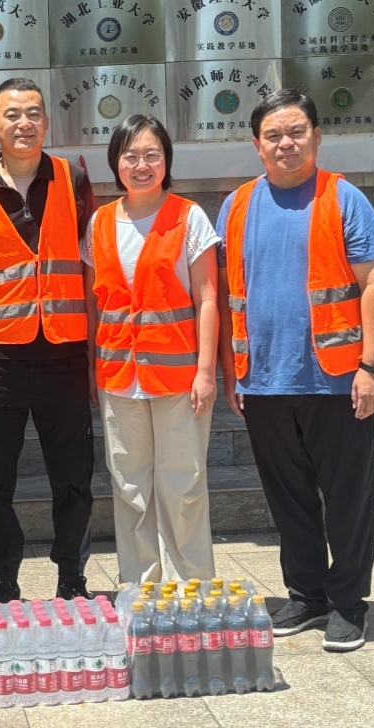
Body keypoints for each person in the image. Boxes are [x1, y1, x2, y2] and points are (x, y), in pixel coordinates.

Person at [216, 89, 374, 652]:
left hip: (336, 377)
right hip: (263, 378)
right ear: (256, 144)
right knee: (287, 497)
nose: (285, 143)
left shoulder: (343, 197)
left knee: (347, 498)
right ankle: (307, 594)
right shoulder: (237, 204)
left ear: (316, 135)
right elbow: (228, 293)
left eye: (296, 132)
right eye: (273, 135)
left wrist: (372, 366)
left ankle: (348, 603)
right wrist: (231, 372)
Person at [0, 77, 96, 603]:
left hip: (64, 352)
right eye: (12, 115)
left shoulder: (73, 179)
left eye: (34, 113)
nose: (24, 123)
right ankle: (4, 580)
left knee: (74, 476)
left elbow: (90, 262)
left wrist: (96, 349)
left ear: (47, 122)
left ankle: (71, 576)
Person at [82, 115, 220, 586]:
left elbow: (207, 298)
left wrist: (206, 372)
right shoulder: (100, 222)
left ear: (166, 161)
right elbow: (95, 304)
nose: (141, 165)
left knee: (183, 486)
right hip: (118, 377)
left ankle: (191, 591)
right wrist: (92, 368)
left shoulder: (188, 217)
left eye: (152, 155)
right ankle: (141, 590)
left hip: (180, 378)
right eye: (130, 156)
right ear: (115, 162)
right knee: (130, 486)